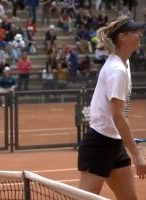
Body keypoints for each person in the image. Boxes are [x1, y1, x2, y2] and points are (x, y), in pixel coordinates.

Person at [78, 16, 146, 199]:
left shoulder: (125, 63)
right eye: (135, 32)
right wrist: (137, 155)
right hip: (99, 145)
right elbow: (118, 117)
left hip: (115, 144)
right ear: (123, 37)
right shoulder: (117, 70)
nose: (140, 35)